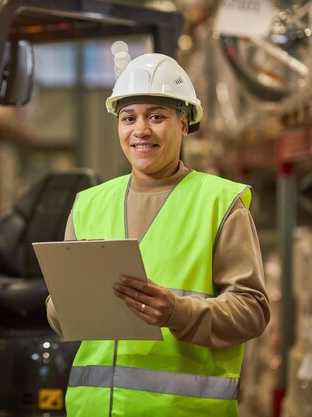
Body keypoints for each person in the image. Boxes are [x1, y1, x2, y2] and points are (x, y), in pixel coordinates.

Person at [45, 53, 271, 416]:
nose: (141, 130)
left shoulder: (219, 203)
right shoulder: (88, 204)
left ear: (183, 123)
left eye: (156, 116)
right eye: (128, 118)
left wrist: (177, 313)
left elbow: (253, 311)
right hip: (91, 409)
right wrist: (65, 303)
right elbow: (60, 317)